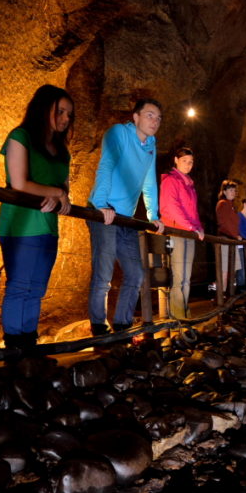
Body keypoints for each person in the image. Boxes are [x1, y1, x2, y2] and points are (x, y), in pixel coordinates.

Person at [0, 85, 74, 350]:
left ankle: (28, 342)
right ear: (44, 108)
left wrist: (60, 194)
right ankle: (14, 346)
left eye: (68, 115)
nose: (65, 119)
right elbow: (18, 182)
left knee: (37, 288)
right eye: (60, 112)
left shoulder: (62, 151)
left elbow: (65, 188)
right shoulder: (21, 137)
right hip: (20, 224)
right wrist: (55, 192)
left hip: (47, 226)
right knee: (19, 285)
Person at [87, 99, 166, 335]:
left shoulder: (151, 144)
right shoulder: (118, 133)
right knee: (104, 272)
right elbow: (106, 166)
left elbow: (149, 183)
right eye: (150, 115)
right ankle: (99, 326)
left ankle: (122, 323)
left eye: (159, 118)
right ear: (136, 117)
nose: (155, 121)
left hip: (126, 218)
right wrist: (101, 206)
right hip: (104, 210)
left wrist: (154, 215)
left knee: (136, 273)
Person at [159, 146, 203, 318]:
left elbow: (194, 211)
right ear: (176, 161)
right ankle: (178, 315)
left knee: (186, 276)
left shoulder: (189, 184)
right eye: (184, 161)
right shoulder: (171, 180)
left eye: (191, 162)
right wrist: (191, 227)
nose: (188, 164)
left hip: (189, 233)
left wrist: (198, 227)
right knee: (179, 275)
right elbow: (172, 207)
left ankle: (184, 311)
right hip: (177, 231)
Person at [214, 179, 243, 290]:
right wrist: (235, 236)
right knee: (224, 270)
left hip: (232, 240)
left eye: (234, 190)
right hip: (225, 239)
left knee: (231, 269)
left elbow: (234, 224)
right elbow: (224, 223)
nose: (233, 192)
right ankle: (221, 295)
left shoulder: (231, 206)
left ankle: (227, 295)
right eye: (230, 190)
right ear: (224, 191)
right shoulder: (223, 204)